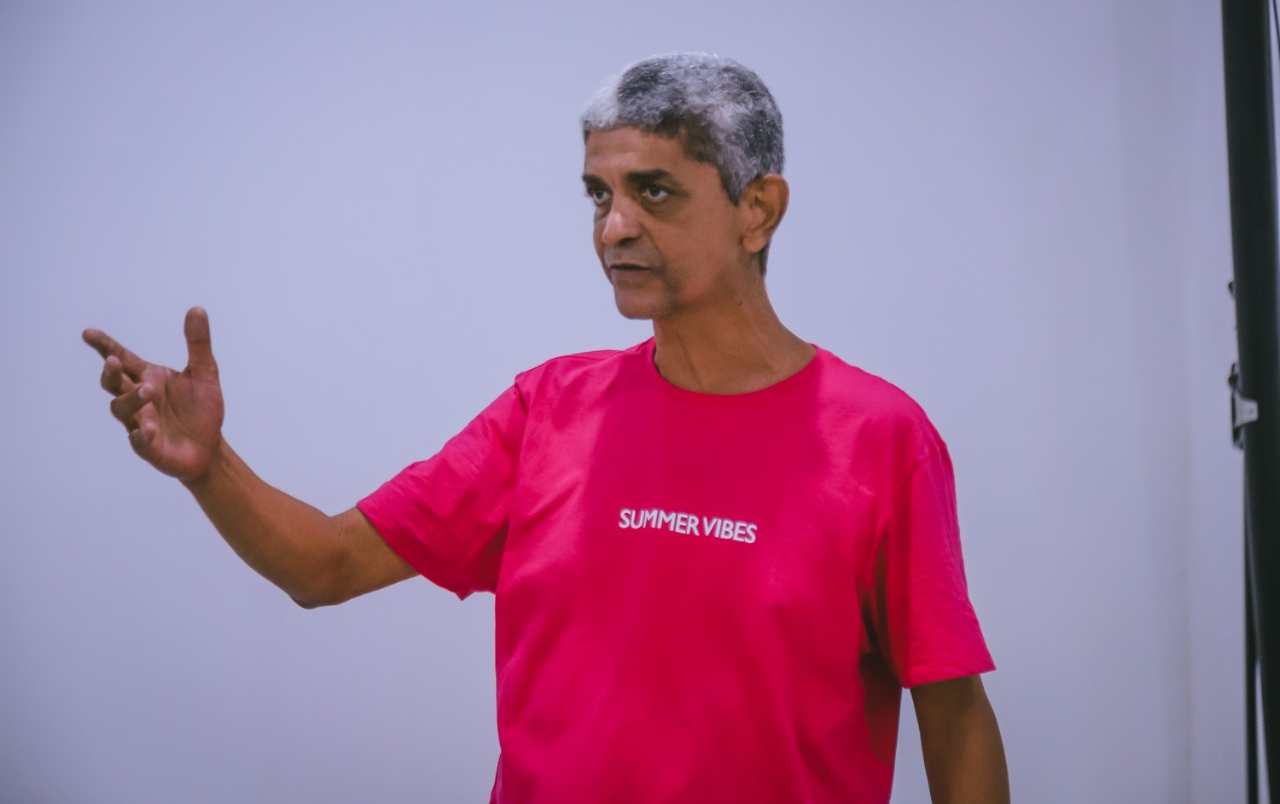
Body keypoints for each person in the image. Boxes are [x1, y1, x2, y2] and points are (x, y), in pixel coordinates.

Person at [84, 53, 1009, 804]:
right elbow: (324, 565)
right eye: (598, 195)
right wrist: (208, 466)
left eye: (654, 191)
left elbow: (954, 716)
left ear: (757, 209)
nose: (613, 228)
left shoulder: (880, 440)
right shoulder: (547, 412)